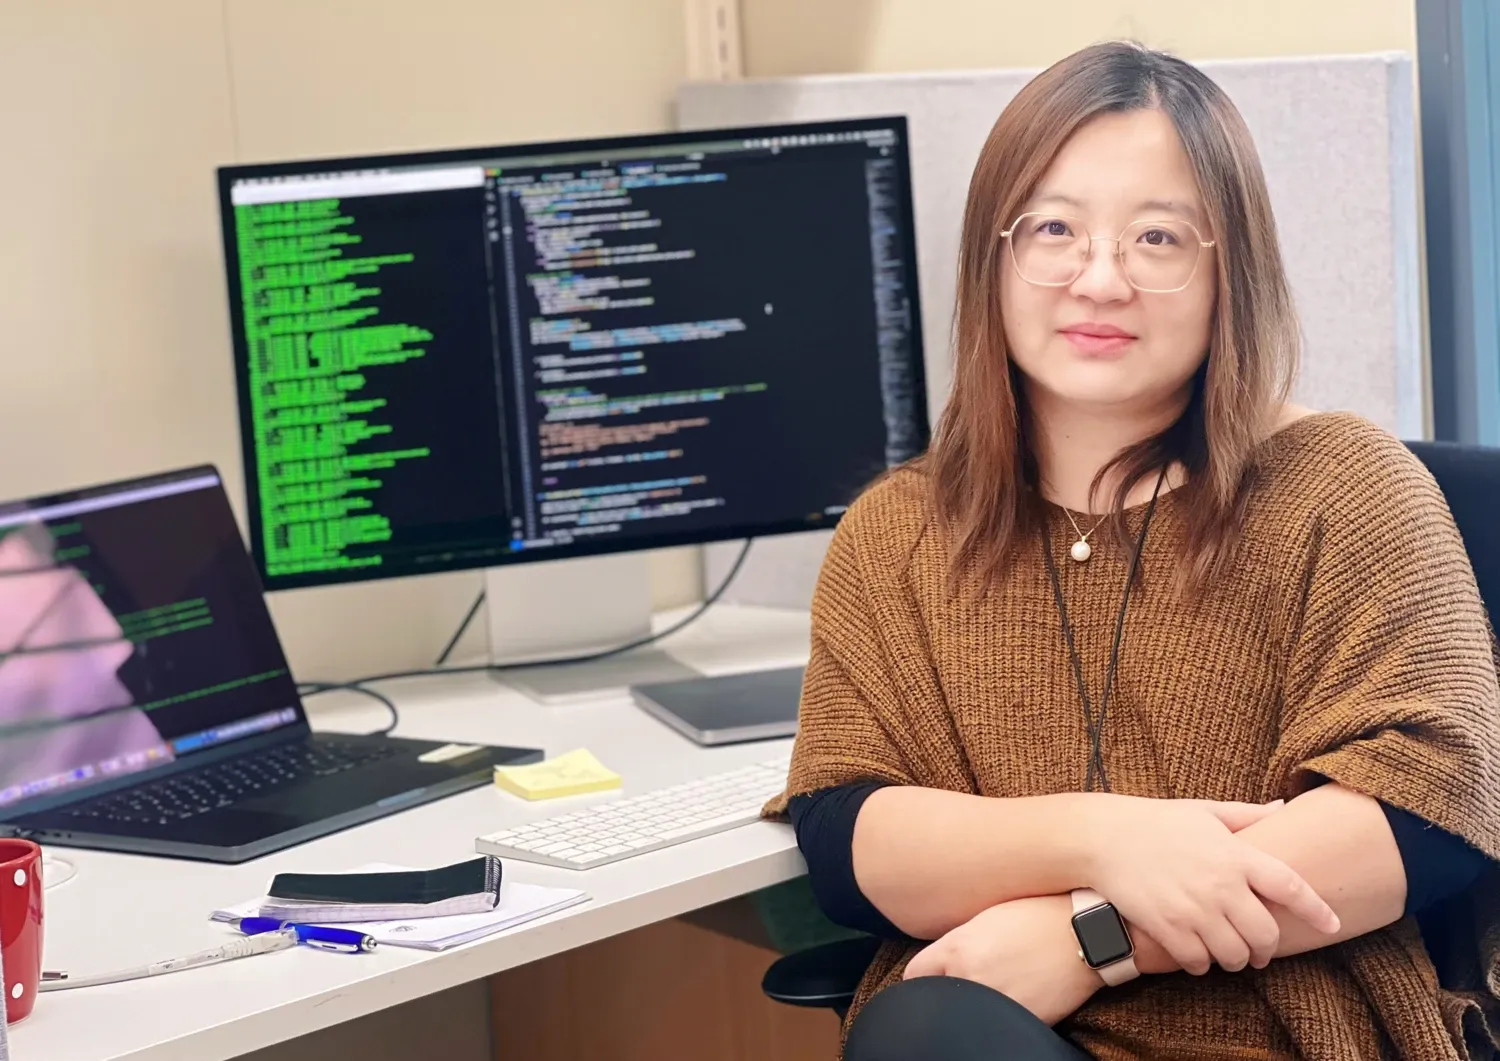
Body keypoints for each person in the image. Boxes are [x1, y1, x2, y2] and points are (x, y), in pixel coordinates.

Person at [771, 40, 1500, 1061]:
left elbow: (1420, 815)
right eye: (1056, 229)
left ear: (1226, 272)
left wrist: (1091, 936)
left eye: (1157, 238)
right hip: (988, 1025)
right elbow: (852, 835)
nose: (1100, 278)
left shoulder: (1346, 488)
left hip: (1295, 1029)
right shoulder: (898, 533)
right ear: (998, 254)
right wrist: (1106, 838)